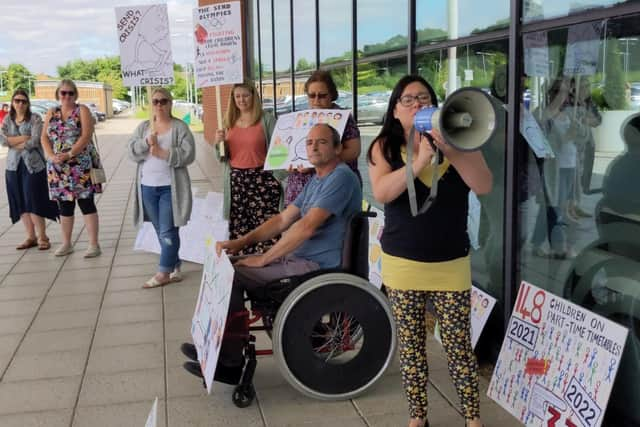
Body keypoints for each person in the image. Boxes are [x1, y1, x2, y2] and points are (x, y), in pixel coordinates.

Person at [181, 123, 362, 384]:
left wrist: (266, 258)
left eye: (321, 142)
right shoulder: (317, 179)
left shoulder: (341, 178)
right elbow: (281, 220)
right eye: (309, 142)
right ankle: (211, 346)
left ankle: (230, 362)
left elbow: (306, 227)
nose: (313, 146)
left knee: (234, 274)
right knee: (223, 264)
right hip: (299, 259)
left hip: (316, 264)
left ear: (337, 148)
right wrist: (242, 242)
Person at [367, 75, 492, 427]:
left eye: (424, 97)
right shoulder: (385, 148)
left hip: (451, 263)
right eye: (408, 100)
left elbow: (483, 184)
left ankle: (472, 417)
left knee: (458, 346)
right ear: (395, 111)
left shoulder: (461, 141)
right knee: (411, 347)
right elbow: (383, 193)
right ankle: (417, 417)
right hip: (402, 264)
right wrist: (420, 160)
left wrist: (451, 149)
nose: (418, 103)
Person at [128, 87, 196, 288]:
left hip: (170, 188)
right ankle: (175, 265)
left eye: (163, 101)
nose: (159, 105)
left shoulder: (180, 127)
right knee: (161, 230)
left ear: (170, 103)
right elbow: (131, 152)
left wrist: (163, 153)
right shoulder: (144, 127)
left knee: (167, 230)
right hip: (147, 187)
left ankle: (163, 272)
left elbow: (189, 154)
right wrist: (145, 143)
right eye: (155, 101)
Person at [213, 81, 283, 255]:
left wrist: (279, 176)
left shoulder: (266, 120)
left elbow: (281, 150)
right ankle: (243, 266)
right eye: (237, 96)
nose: (241, 100)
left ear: (254, 96)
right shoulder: (228, 121)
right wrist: (218, 143)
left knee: (266, 226)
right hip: (237, 180)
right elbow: (222, 158)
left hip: (262, 180)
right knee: (239, 226)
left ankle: (267, 264)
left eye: (245, 95)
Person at [41, 79, 102, 258]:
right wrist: (51, 155)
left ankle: (93, 244)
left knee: (86, 203)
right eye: (63, 93)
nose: (67, 96)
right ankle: (66, 243)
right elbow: (44, 137)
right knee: (64, 206)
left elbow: (86, 135)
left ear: (76, 94)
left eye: (70, 93)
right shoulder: (52, 112)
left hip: (79, 165)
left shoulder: (82, 110)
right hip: (57, 166)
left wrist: (69, 154)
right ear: (58, 94)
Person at [284, 70, 361, 205]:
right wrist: (290, 162)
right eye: (312, 95)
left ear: (332, 95)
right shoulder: (301, 118)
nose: (316, 100)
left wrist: (314, 163)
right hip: (299, 193)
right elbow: (291, 150)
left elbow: (354, 151)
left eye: (322, 96)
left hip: (332, 187)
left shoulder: (342, 118)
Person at [0, 89, 59, 250]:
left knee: (33, 200)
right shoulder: (7, 119)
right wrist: (22, 139)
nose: (20, 104)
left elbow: (35, 141)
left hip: (33, 166)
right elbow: (2, 140)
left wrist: (14, 142)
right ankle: (30, 237)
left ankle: (42, 236)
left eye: (23, 101)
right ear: (12, 102)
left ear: (28, 103)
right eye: (17, 100)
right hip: (13, 167)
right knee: (20, 202)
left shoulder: (35, 119)